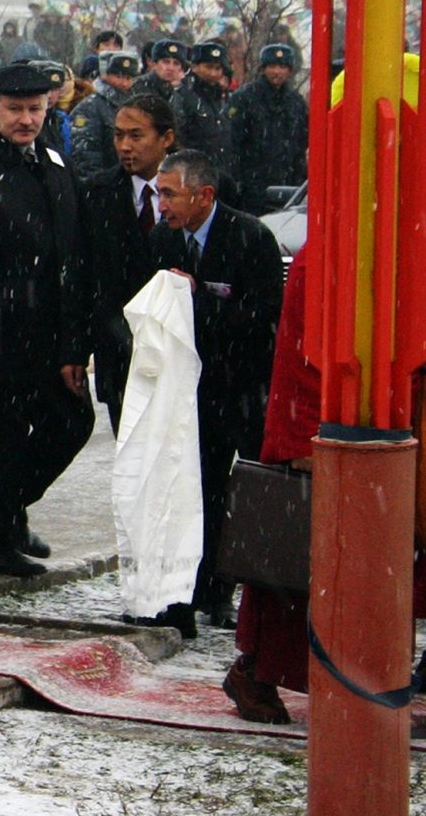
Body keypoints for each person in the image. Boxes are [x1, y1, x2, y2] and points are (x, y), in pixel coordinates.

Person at [0, 62, 95, 577]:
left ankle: (6, 509)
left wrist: (72, 346)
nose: (25, 119)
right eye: (14, 109)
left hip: (50, 332)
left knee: (72, 421)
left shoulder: (55, 164)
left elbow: (73, 258)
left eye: (35, 109)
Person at [150, 149, 285, 626]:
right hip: (192, 392)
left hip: (246, 388)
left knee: (247, 496)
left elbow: (265, 317)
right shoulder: (162, 241)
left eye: (169, 194)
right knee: (197, 493)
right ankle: (195, 591)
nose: (160, 205)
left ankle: (241, 597)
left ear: (203, 195)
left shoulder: (250, 237)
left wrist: (198, 300)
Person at [79, 95, 178, 434]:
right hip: (121, 354)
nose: (125, 146)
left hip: (180, 353)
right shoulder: (96, 194)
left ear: (166, 139)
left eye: (136, 136)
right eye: (118, 135)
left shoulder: (197, 189)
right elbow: (86, 276)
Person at [227, 43, 308, 212]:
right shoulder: (245, 98)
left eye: (282, 67)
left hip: (288, 185)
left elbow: (301, 143)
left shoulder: (296, 102)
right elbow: (233, 142)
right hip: (254, 184)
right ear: (263, 69)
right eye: (272, 66)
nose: (277, 72)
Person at [172, 41, 234, 187]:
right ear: (195, 67)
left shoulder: (223, 97)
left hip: (222, 174)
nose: (213, 73)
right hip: (193, 176)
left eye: (218, 68)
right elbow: (177, 137)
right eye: (208, 67)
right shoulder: (183, 95)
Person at [70, 49, 140, 178]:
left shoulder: (137, 105)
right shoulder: (89, 107)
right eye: (118, 76)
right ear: (105, 75)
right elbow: (85, 154)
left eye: (128, 78)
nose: (124, 83)